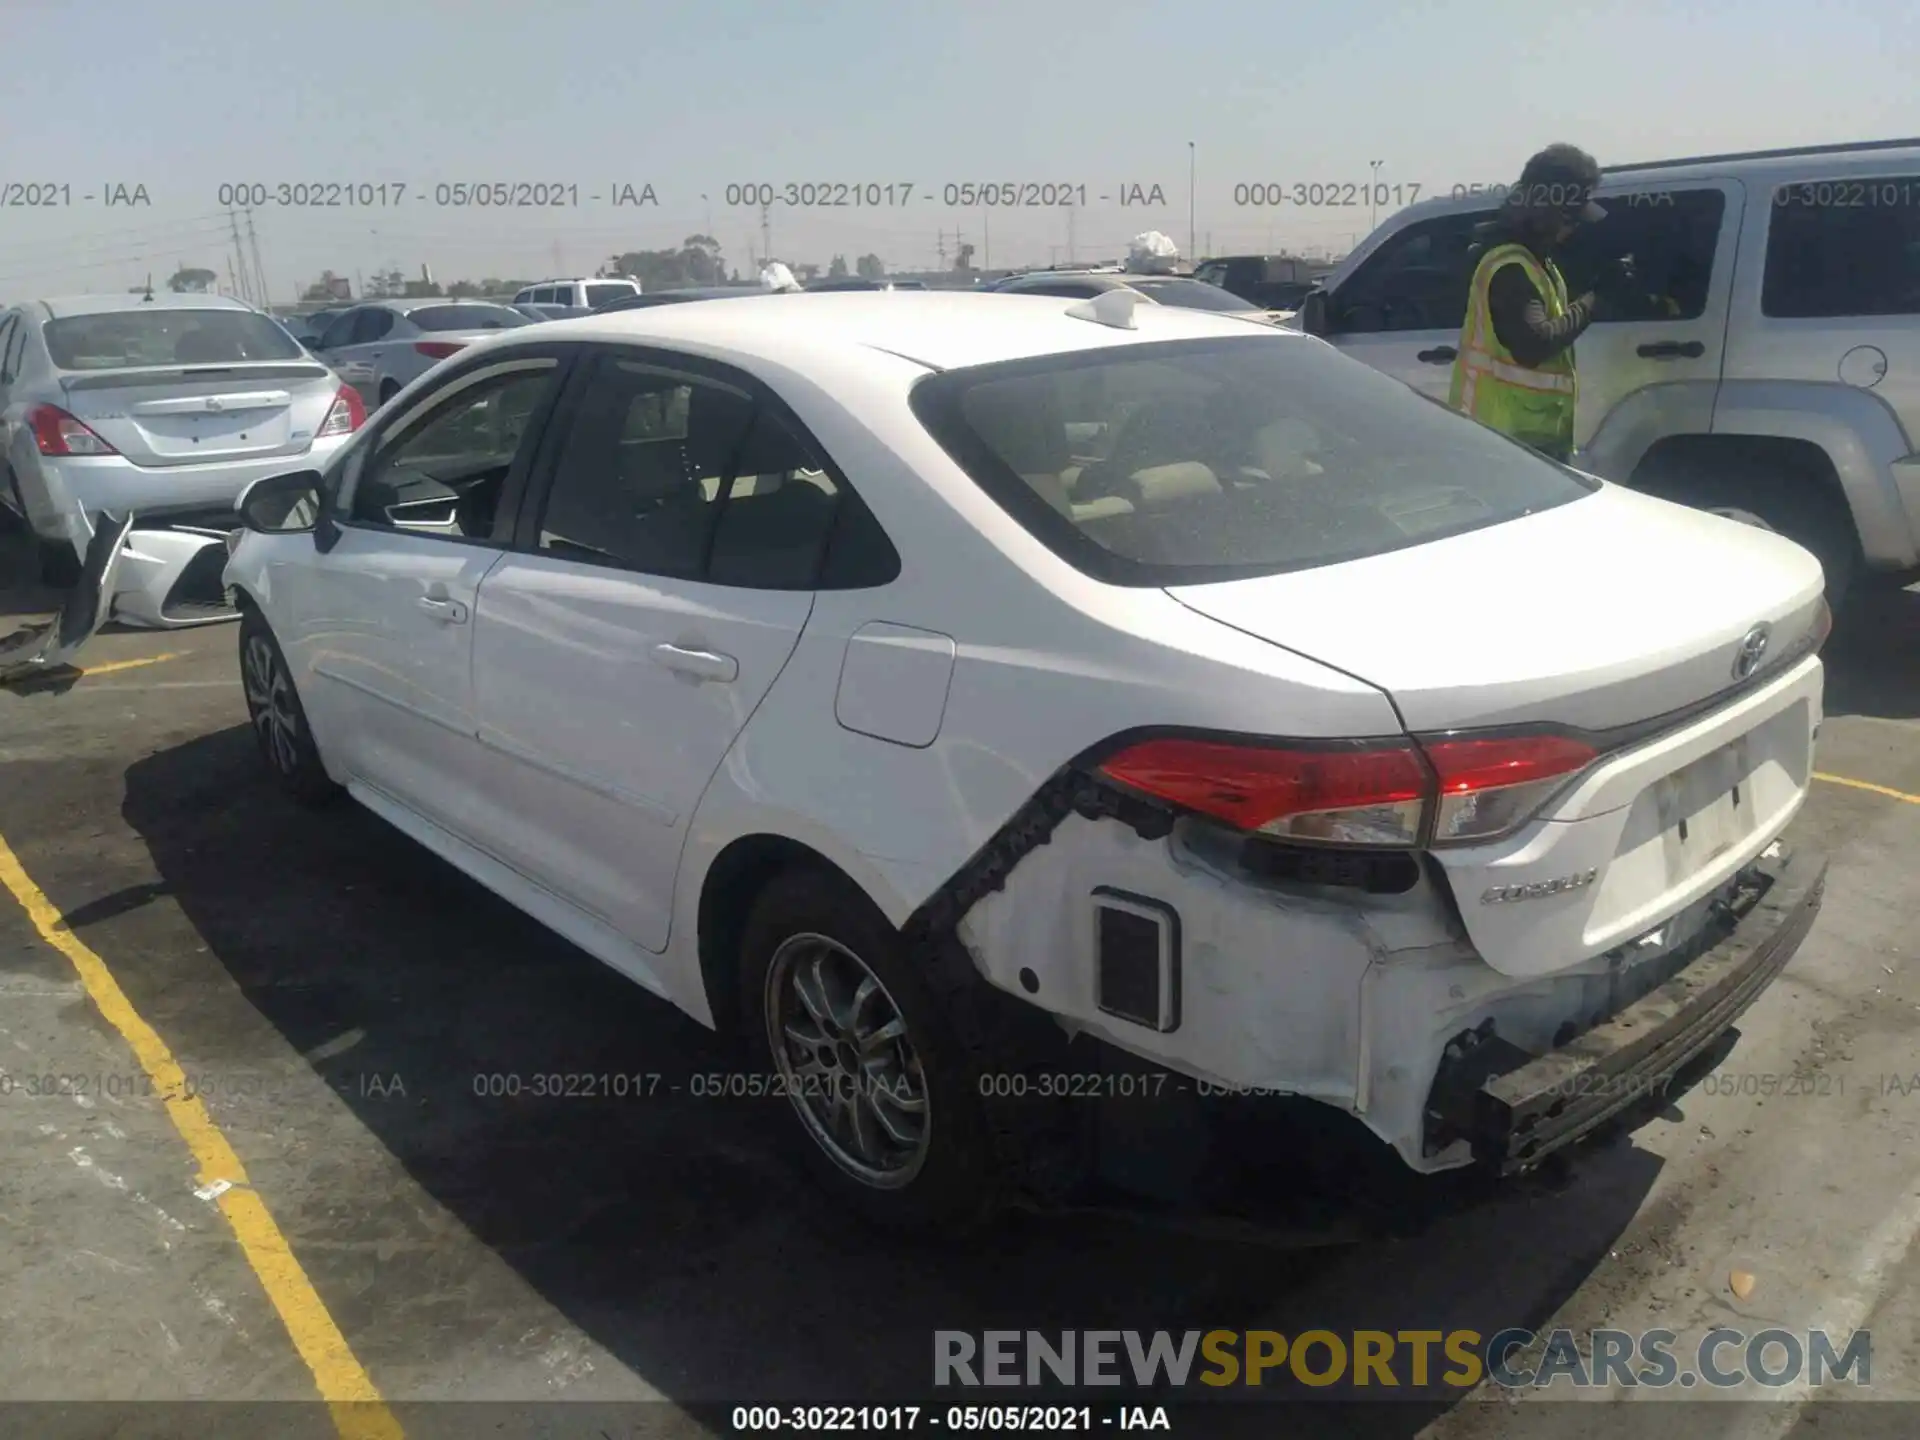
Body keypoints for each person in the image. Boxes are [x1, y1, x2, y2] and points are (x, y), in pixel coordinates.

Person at [1449, 144, 1637, 463]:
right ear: (1547, 209)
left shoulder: (1537, 263)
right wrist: (1598, 299)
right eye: (1571, 218)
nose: (1574, 228)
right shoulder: (1510, 268)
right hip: (1502, 442)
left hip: (1525, 439)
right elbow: (1534, 345)